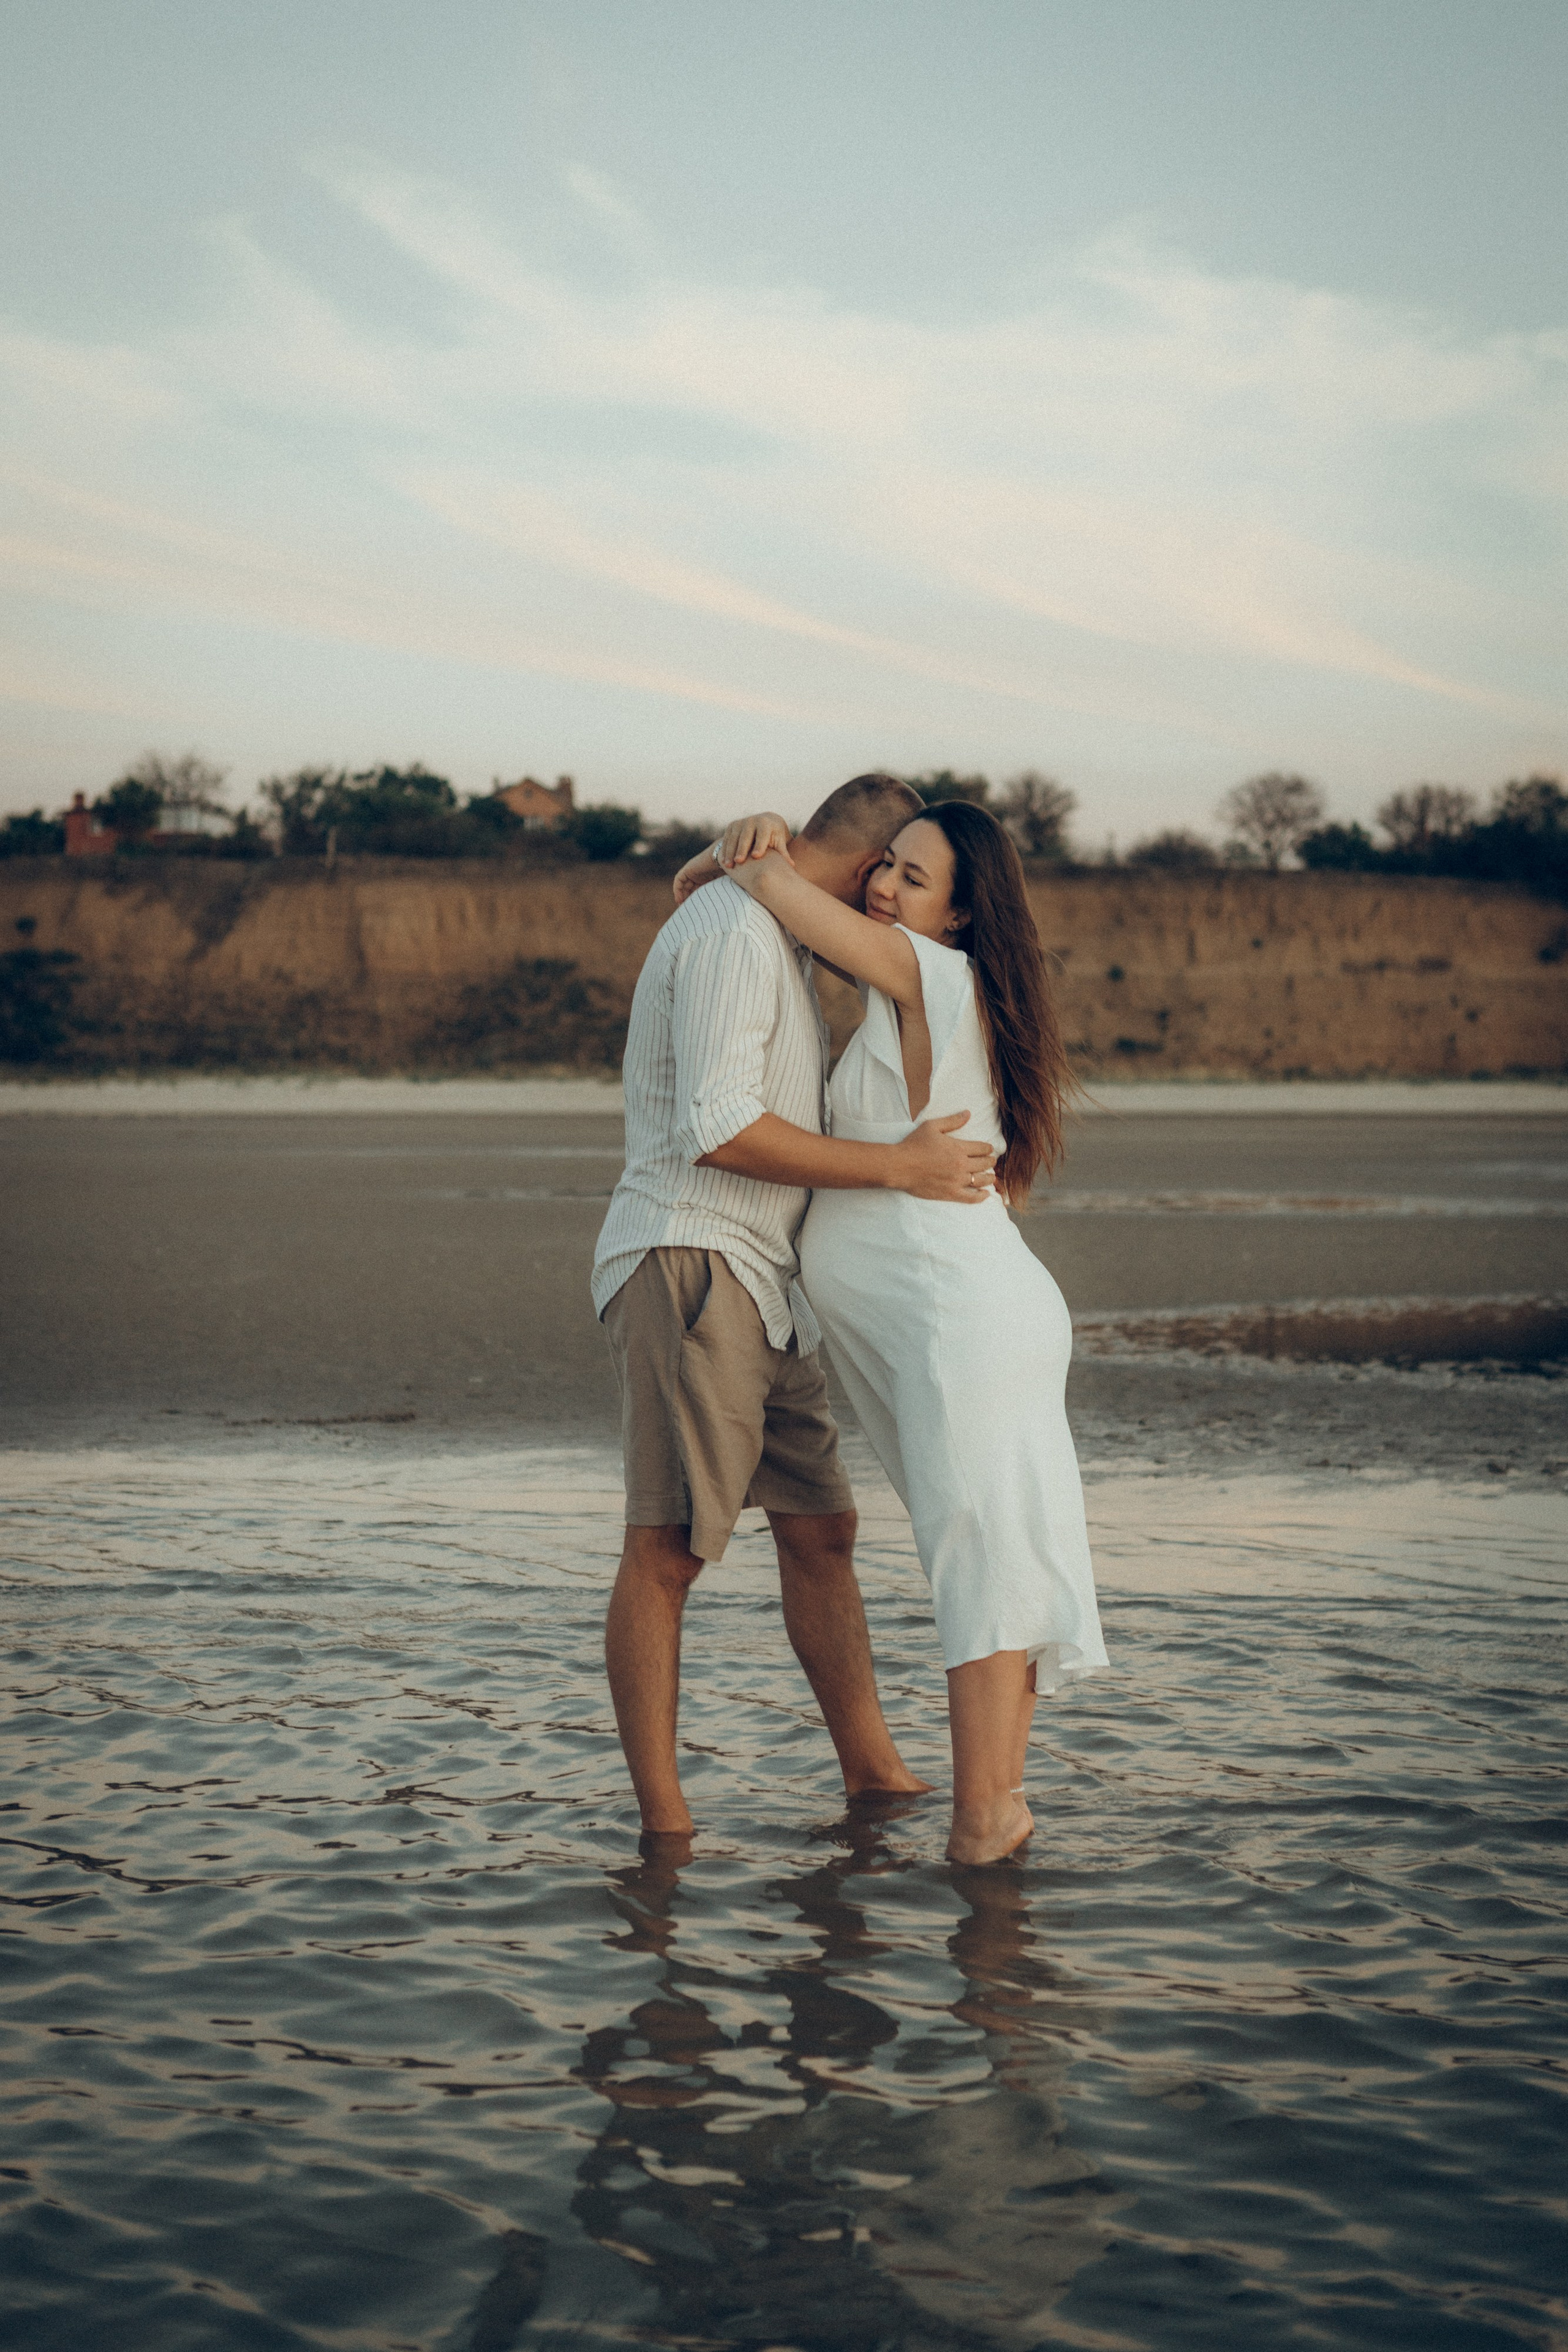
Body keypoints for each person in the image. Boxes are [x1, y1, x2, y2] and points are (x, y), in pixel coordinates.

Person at [673, 798, 1107, 1863]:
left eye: (912, 879)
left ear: (960, 919)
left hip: (961, 1317)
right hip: (949, 1315)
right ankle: (997, 1806)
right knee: (998, 1550)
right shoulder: (896, 994)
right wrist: (733, 850)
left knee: (980, 1554)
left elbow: (765, 888)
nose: (881, 887)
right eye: (884, 868)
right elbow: (707, 893)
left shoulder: (936, 979)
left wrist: (757, 841)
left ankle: (978, 1822)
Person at [593, 772, 1001, 1844]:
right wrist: (899, 1169)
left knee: (823, 1529)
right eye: (897, 874)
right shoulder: (736, 931)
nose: (892, 899)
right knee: (667, 1548)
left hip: (764, 1286)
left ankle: (875, 1777)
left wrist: (727, 849)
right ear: (873, 873)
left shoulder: (768, 924)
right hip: (693, 1260)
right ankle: (666, 1830)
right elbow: (721, 1128)